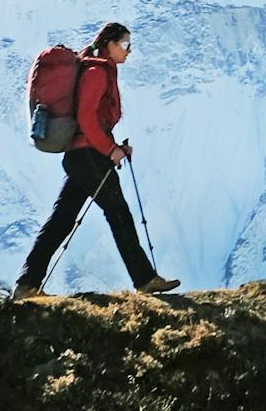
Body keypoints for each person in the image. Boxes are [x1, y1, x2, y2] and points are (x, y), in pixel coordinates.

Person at [15, 21, 178, 297]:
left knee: (62, 219)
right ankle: (145, 280)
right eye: (125, 44)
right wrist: (110, 150)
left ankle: (27, 284)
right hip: (89, 157)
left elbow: (91, 123)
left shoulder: (98, 69)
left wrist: (114, 147)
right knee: (119, 213)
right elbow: (87, 119)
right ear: (110, 44)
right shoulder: (96, 73)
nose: (129, 50)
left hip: (81, 156)